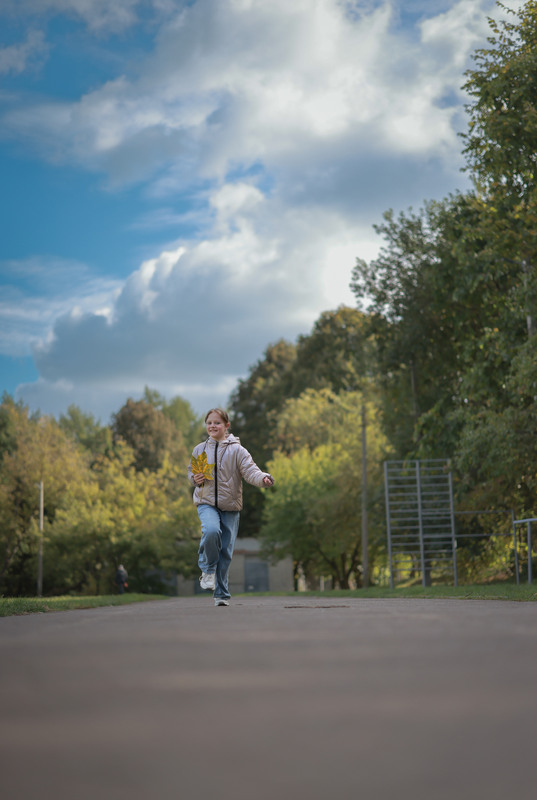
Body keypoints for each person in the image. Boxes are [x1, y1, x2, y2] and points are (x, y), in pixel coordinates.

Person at [188, 408, 274, 607]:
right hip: (206, 502)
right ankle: (208, 570)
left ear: (226, 425)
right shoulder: (199, 449)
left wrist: (263, 478)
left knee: (225, 551)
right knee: (211, 531)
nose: (212, 426)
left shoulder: (238, 451)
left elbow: (251, 470)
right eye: (209, 423)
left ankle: (221, 594)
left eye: (217, 423)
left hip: (231, 505)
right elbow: (191, 472)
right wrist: (194, 479)